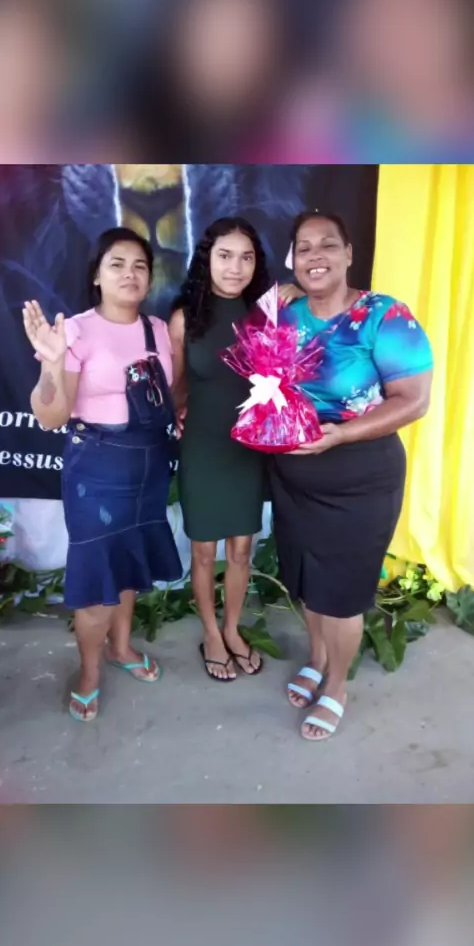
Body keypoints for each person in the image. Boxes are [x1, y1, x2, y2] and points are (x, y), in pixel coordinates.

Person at [269, 210, 433, 740]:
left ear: (348, 254)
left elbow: (413, 401)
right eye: (304, 247)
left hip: (359, 480)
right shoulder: (286, 316)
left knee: (339, 596)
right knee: (307, 584)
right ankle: (317, 659)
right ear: (294, 260)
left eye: (327, 245)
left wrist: (340, 434)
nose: (315, 255)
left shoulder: (384, 316)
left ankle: (336, 685)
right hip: (293, 479)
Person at [23, 227, 182, 722]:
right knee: (98, 577)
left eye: (140, 266)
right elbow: (51, 416)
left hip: (149, 463)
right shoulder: (76, 331)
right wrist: (51, 365)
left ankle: (121, 647)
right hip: (96, 468)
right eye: (117, 264)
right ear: (97, 274)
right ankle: (89, 671)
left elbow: (168, 395)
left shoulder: (158, 330)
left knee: (130, 562)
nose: (130, 274)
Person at [169, 216, 301, 681]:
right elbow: (178, 385)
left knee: (242, 549)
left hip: (249, 447)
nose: (235, 267)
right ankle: (210, 633)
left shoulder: (267, 311)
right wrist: (179, 410)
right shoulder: (184, 318)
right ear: (207, 259)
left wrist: (296, 293)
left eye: (246, 258)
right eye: (225, 256)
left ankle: (232, 628)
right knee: (204, 551)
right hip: (203, 447)